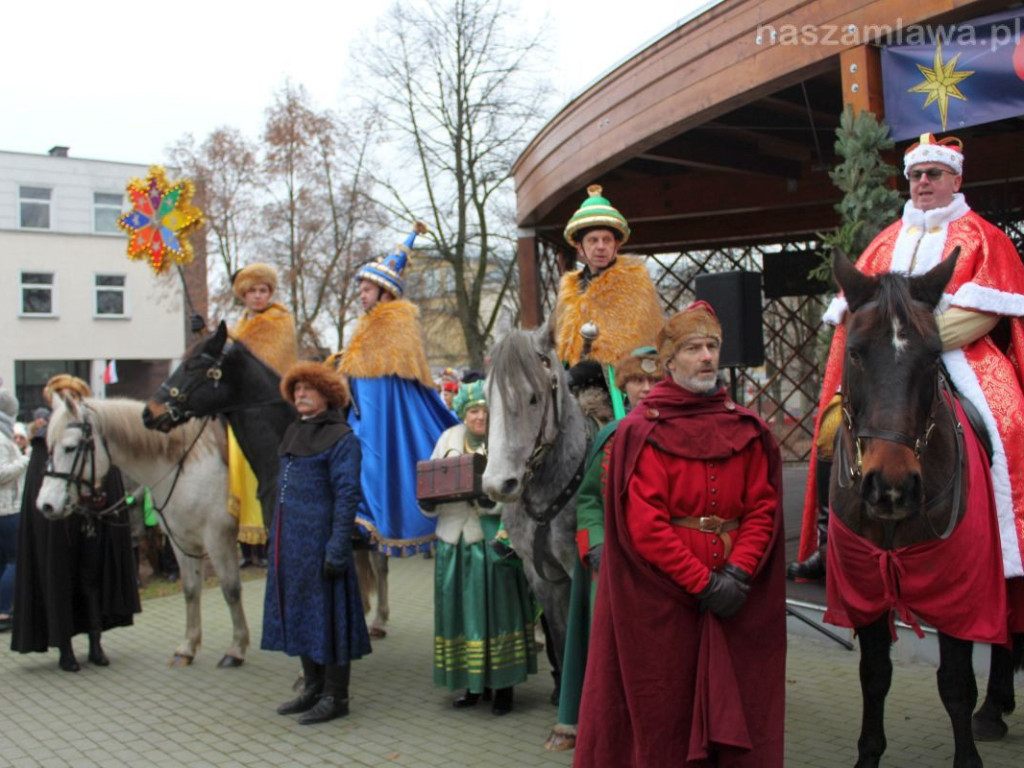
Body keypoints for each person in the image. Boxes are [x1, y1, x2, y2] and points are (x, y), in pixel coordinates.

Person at [793, 133, 1024, 591]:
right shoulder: (885, 240)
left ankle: (1010, 537)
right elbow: (855, 307)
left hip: (964, 352)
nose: (923, 183)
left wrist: (923, 337)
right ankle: (828, 537)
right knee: (832, 426)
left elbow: (991, 306)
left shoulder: (983, 235)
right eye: (916, 175)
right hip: (885, 362)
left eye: (933, 174)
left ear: (955, 179)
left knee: (1011, 420)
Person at [574, 302, 786, 767]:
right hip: (662, 598)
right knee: (665, 711)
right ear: (670, 363)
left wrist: (737, 573)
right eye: (694, 348)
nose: (707, 356)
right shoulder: (640, 431)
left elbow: (762, 508)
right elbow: (646, 526)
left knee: (741, 706)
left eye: (712, 346)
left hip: (734, 593)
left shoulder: (745, 429)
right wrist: (704, 583)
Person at [549, 346, 663, 750]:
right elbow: (590, 499)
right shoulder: (610, 437)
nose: (646, 389)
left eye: (654, 380)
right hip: (616, 566)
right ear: (624, 386)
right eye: (637, 380)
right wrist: (594, 545)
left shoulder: (681, 431)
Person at [328, 222, 457, 559]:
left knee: (372, 461)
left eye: (367, 289)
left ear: (385, 292)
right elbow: (359, 365)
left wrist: (349, 364)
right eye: (361, 288)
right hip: (363, 410)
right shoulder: (367, 324)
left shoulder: (396, 322)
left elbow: (384, 365)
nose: (361, 294)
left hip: (379, 412)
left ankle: (370, 521)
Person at [263, 360, 371, 725]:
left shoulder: (343, 438)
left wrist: (338, 544)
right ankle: (312, 685)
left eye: (308, 388)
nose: (301, 394)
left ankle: (336, 696)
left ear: (327, 394)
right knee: (299, 613)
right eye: (296, 389)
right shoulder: (293, 431)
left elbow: (347, 493)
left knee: (331, 618)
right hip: (290, 544)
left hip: (323, 542)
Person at [422, 380, 538, 715]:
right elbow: (430, 476)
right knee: (460, 614)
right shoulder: (448, 439)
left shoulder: (504, 441)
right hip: (453, 539)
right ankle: (472, 685)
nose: (478, 418)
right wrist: (428, 502)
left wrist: (487, 501)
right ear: (463, 412)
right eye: (473, 411)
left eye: (484, 412)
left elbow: (518, 489)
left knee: (497, 612)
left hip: (491, 540)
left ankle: (503, 687)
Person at [11, 375, 139, 671]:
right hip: (58, 531)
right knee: (59, 583)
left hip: (90, 527)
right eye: (61, 395)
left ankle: (96, 644)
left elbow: (109, 478)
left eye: (73, 395)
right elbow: (39, 488)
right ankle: (65, 649)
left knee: (91, 582)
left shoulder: (93, 440)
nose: (67, 400)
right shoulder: (45, 443)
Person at [556, 185, 664, 422]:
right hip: (572, 382)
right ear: (580, 247)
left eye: (607, 240)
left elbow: (624, 348)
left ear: (617, 245)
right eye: (593, 240)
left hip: (622, 388)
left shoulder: (634, 282)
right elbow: (561, 346)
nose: (601, 246)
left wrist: (577, 374)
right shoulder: (570, 288)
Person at [228, 262, 298, 566]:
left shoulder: (280, 321)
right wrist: (206, 334)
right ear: (243, 294)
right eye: (252, 291)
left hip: (272, 412)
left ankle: (274, 534)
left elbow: (267, 369)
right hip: (241, 410)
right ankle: (245, 544)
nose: (258, 296)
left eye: (263, 290)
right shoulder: (238, 326)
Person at [0, 386, 30, 632]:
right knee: (15, 559)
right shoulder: (1, 438)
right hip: (7, 509)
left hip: (5, 508)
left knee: (4, 561)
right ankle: (3, 610)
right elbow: (1, 473)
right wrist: (24, 460)